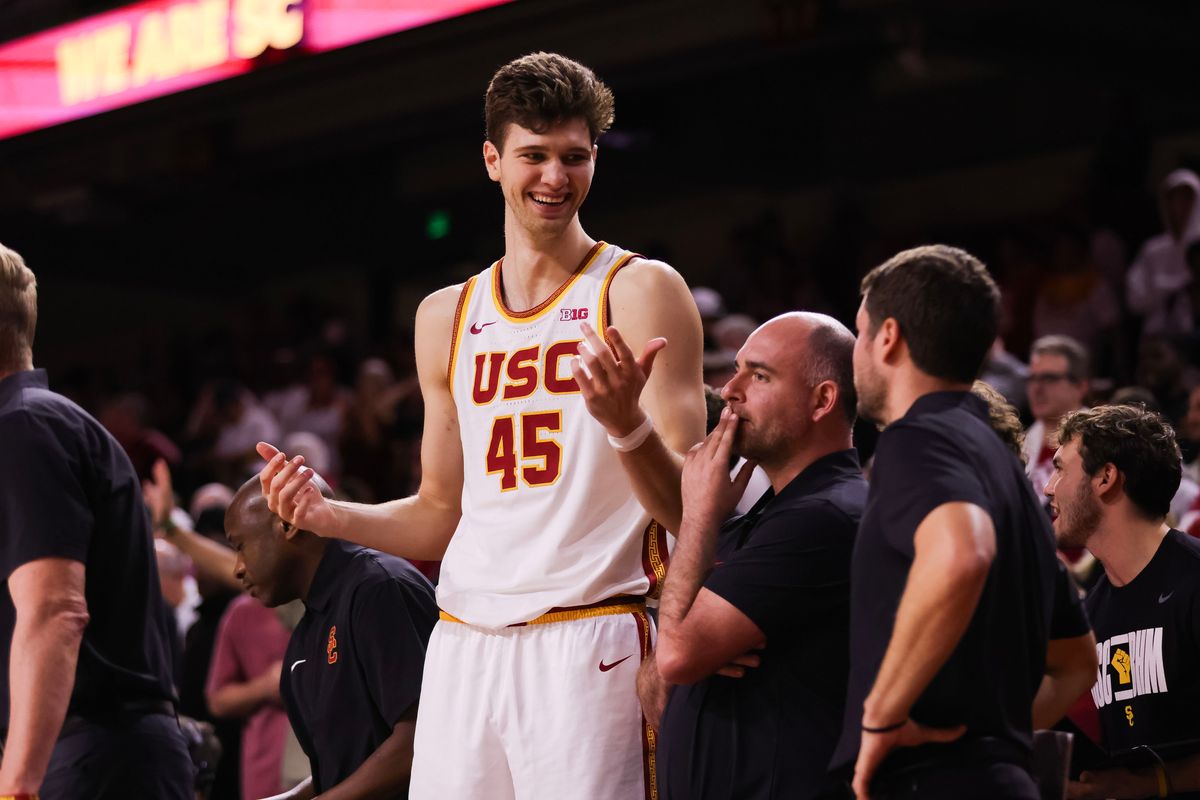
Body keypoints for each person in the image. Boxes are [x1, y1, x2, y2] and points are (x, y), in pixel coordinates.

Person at [255, 52, 706, 799]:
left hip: (590, 633)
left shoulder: (640, 291)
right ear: (493, 159)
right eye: (534, 156)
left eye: (575, 157)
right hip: (464, 641)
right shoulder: (446, 315)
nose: (555, 179)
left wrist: (626, 429)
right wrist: (330, 515)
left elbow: (693, 511)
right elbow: (440, 515)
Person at [833, 244, 1074, 800]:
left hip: (931, 779)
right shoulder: (1005, 470)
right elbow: (1075, 661)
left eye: (861, 333)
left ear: (888, 337)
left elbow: (961, 551)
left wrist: (881, 715)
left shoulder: (916, 439)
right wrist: (993, 738)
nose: (858, 353)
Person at [647, 313, 867, 799]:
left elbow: (676, 655)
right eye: (738, 368)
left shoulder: (824, 515)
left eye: (759, 375)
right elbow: (656, 680)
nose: (730, 389)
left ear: (822, 401)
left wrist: (700, 514)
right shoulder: (771, 513)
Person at [0, 242, 192, 798]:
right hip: (87, 752)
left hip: (91, 756)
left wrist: (17, 789)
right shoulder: (34, 424)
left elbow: (56, 610)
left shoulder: (23, 427)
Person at [224, 475, 438, 799]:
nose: (237, 568)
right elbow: (346, 769)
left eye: (240, 546)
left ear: (287, 525)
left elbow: (424, 736)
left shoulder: (378, 588)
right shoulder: (307, 633)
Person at [1043, 405, 1200, 799]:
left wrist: (1146, 785)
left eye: (1061, 468)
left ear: (1106, 478)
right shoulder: (1092, 610)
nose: (1048, 487)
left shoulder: (1194, 581)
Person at [1126, 169, 1199, 337]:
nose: (1182, 205)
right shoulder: (1153, 250)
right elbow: (1134, 299)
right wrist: (1168, 288)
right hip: (1157, 334)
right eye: (1176, 198)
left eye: (1188, 198)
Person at [1023, 334, 1091, 502]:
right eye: (1032, 378)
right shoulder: (1018, 444)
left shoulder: (1101, 444)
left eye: (1049, 378)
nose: (1037, 388)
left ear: (1081, 386)